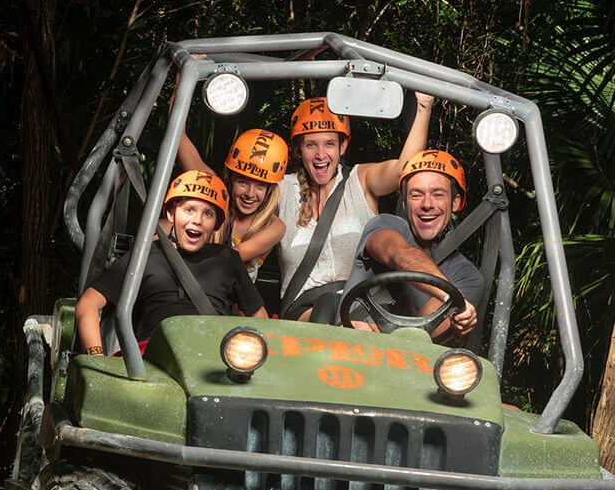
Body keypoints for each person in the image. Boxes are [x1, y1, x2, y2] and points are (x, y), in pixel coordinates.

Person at [277, 93, 436, 319]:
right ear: (298, 150)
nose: (320, 155)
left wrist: (423, 106)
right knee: (326, 311)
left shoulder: (359, 180)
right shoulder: (283, 189)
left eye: (329, 144)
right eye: (311, 145)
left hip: (363, 307)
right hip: (305, 313)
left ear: (342, 146)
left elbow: (404, 170)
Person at [77, 170, 266, 356]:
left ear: (216, 224)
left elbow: (262, 321)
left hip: (213, 355)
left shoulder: (226, 259)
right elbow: (88, 304)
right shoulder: (144, 257)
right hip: (156, 358)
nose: (198, 220)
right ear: (170, 213)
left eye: (208, 214)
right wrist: (97, 356)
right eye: (189, 210)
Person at [339, 149, 481, 342]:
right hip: (346, 344)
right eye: (416, 195)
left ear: (455, 202)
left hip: (406, 356)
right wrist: (452, 296)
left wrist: (459, 309)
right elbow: (400, 256)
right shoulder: (385, 224)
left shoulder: (467, 276)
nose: (427, 204)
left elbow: (424, 332)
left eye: (438, 194)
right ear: (405, 203)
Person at [176, 128, 289, 281]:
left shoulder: (274, 227)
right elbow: (179, 138)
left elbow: (229, 258)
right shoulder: (217, 195)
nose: (250, 194)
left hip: (228, 296)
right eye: (242, 182)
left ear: (270, 189)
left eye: (261, 186)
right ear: (230, 178)